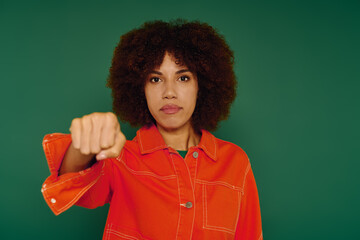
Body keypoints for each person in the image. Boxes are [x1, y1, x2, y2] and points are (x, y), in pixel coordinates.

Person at [41, 19, 263, 240]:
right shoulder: (120, 159)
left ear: (202, 85)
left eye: (183, 78)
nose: (169, 92)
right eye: (156, 79)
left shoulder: (236, 162)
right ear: (140, 88)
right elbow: (70, 181)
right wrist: (84, 147)